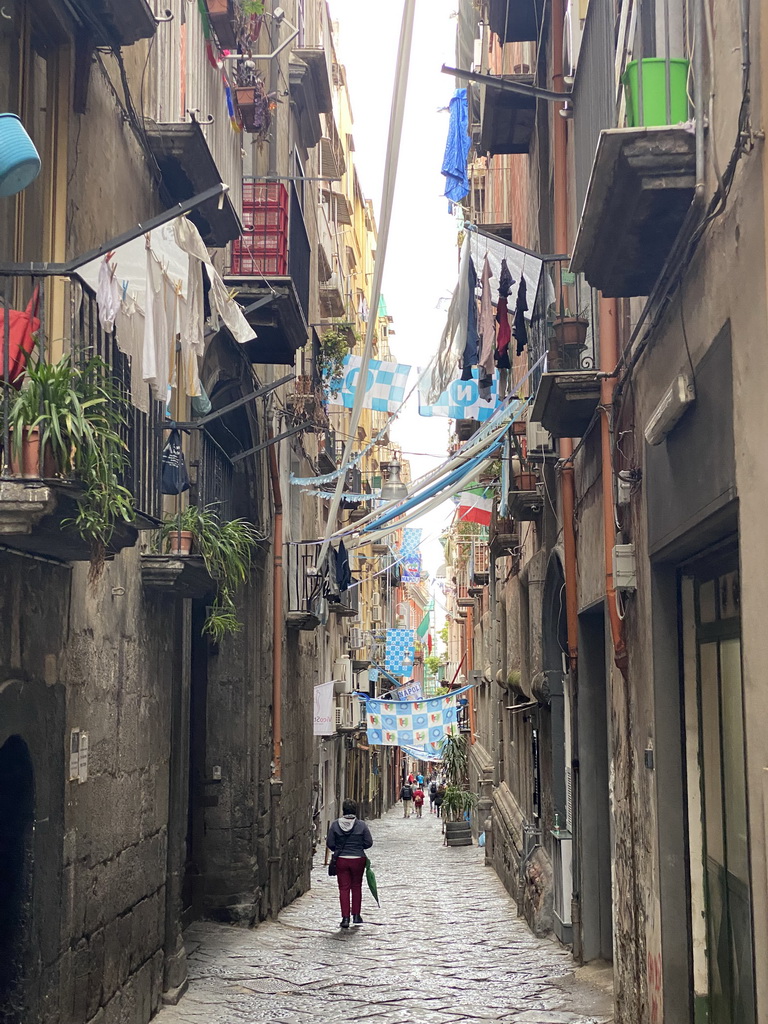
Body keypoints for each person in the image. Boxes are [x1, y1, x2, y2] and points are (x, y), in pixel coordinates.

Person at [326, 799, 373, 929]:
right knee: (356, 886)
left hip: (342, 860)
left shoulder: (335, 825)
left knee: (344, 888)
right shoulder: (362, 825)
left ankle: (345, 918)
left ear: (343, 810)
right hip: (358, 859)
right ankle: (356, 915)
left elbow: (330, 843)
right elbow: (369, 842)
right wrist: (358, 847)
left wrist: (339, 849)